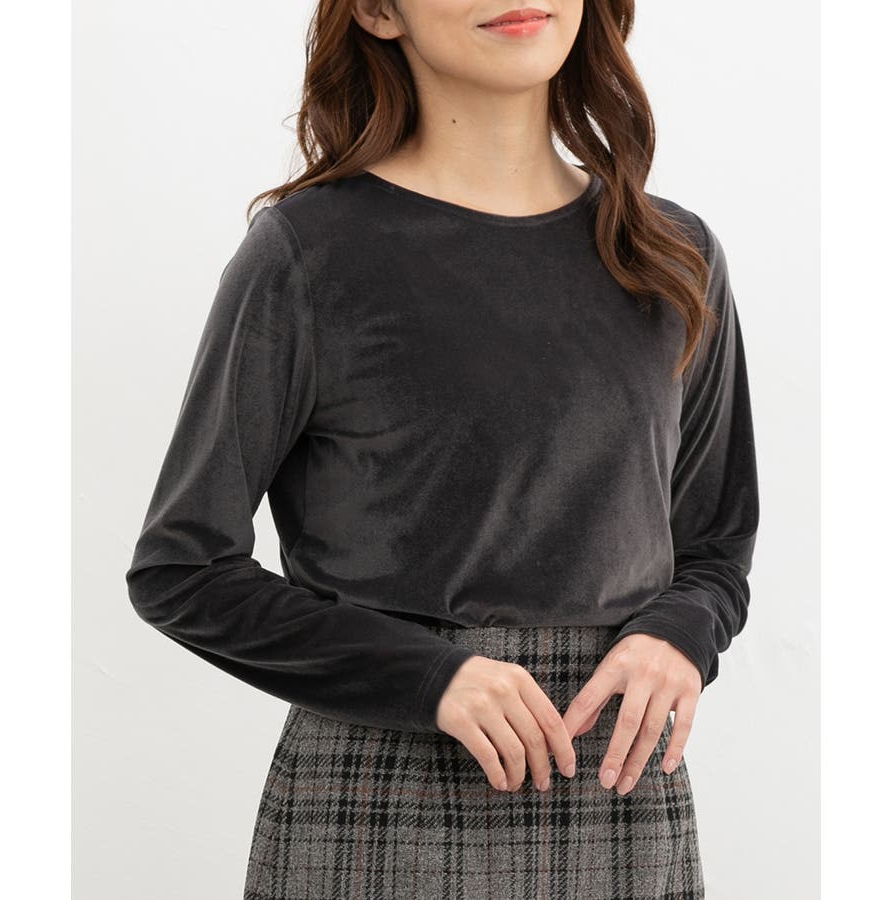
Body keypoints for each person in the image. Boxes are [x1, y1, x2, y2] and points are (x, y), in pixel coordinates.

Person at [125, 1, 759, 897]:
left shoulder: (671, 255)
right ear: (379, 11)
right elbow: (181, 569)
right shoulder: (309, 253)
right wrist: (429, 676)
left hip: (615, 777)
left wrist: (678, 635)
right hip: (384, 780)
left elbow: (716, 543)